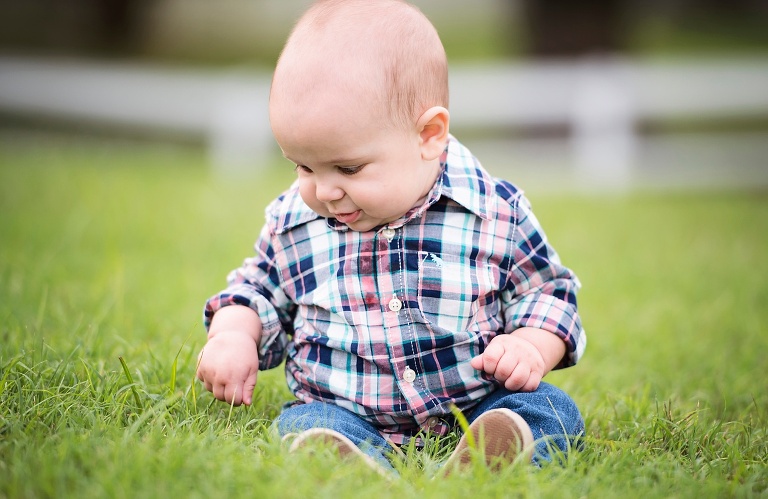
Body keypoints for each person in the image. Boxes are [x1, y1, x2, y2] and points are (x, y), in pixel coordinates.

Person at [196, 0, 587, 475]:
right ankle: (347, 458)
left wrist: (530, 344)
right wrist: (234, 333)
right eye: (302, 165)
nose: (324, 190)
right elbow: (255, 290)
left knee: (549, 410)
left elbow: (547, 290)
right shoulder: (294, 222)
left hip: (477, 403)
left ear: (429, 135)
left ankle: (489, 454)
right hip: (347, 408)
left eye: (348, 167)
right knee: (305, 423)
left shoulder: (493, 213)